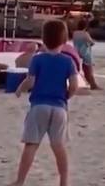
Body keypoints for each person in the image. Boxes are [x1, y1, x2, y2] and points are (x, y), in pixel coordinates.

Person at [11, 20, 79, 186]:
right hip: (59, 108)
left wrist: (20, 89)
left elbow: (31, 81)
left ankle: (20, 181)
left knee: (31, 145)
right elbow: (74, 85)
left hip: (39, 106)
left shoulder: (37, 59)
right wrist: (66, 97)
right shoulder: (68, 61)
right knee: (59, 146)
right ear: (64, 40)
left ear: (43, 38)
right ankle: (64, 181)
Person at [72, 19, 101, 90]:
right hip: (86, 53)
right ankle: (93, 85)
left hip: (77, 53)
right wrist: (92, 42)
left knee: (85, 70)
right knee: (89, 70)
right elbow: (91, 42)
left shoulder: (75, 33)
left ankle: (90, 83)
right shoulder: (85, 34)